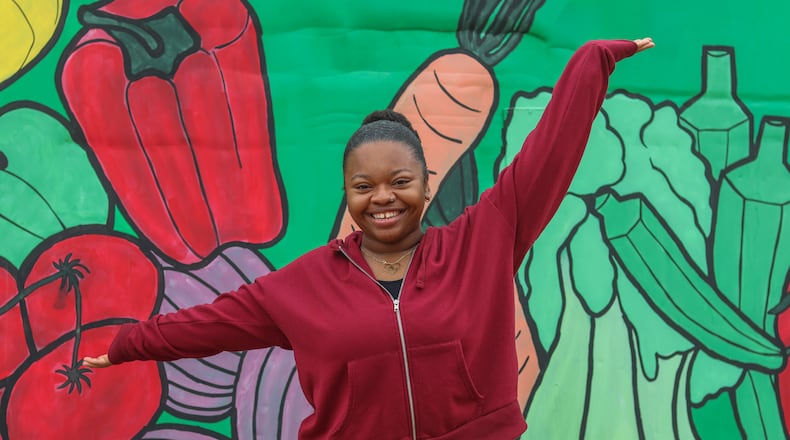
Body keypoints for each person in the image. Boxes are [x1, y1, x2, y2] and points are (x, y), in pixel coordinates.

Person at [84, 37, 655, 439]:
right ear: (348, 194)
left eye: (399, 181)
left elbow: (548, 154)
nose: (383, 197)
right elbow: (208, 324)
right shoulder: (301, 287)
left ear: (427, 184)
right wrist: (125, 346)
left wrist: (593, 61)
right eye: (365, 186)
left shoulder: (484, 240)